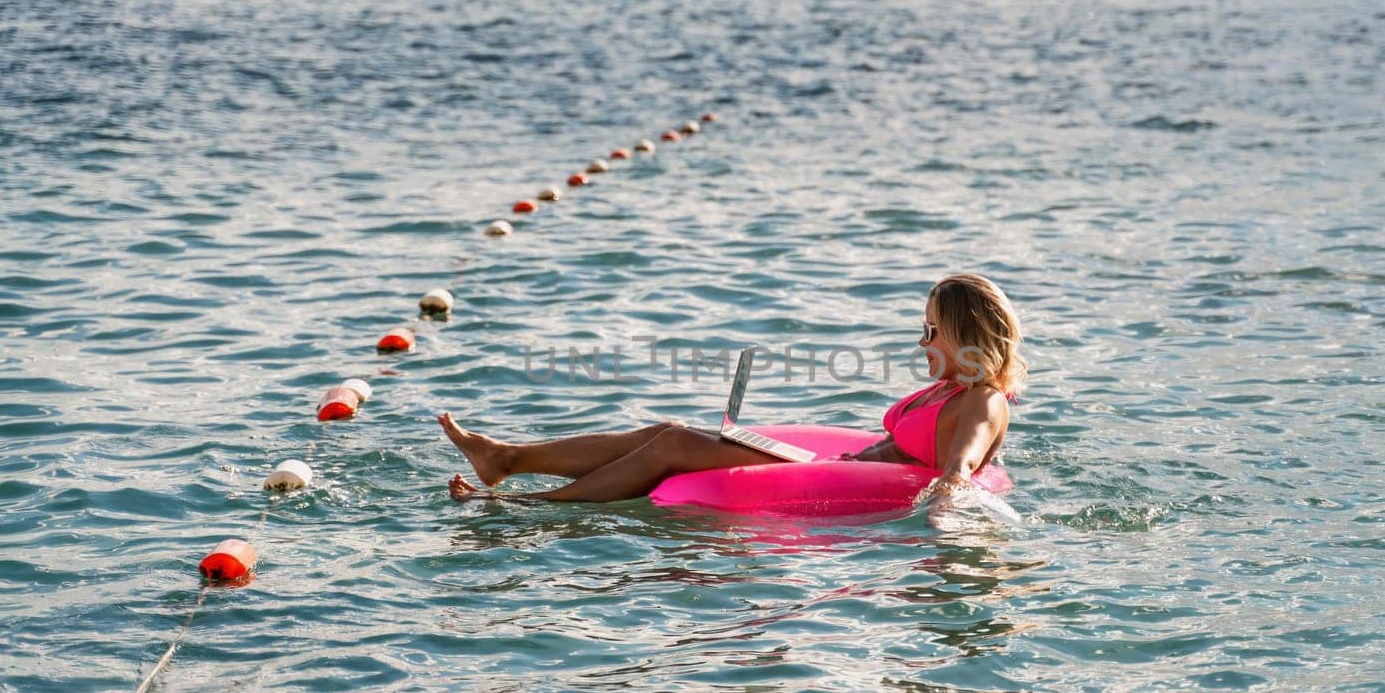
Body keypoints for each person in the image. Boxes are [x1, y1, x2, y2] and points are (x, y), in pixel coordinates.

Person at [439, 272, 1025, 503]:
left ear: (960, 331)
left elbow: (961, 466)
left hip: (867, 484)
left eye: (929, 329)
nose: (920, 340)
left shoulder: (982, 399)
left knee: (673, 449)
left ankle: (529, 505)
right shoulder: (945, 389)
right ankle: (507, 458)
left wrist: (947, 503)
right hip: (846, 460)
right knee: (669, 432)